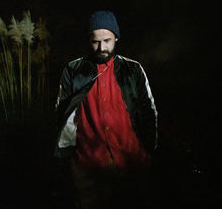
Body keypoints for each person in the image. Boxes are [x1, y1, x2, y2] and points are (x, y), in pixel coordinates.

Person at [54, 11, 158, 208]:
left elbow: (148, 110)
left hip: (131, 160)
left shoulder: (133, 69)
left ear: (116, 38)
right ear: (88, 40)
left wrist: (148, 150)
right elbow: (62, 112)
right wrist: (70, 158)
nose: (102, 47)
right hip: (87, 163)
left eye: (107, 40)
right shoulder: (73, 70)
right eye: (96, 41)